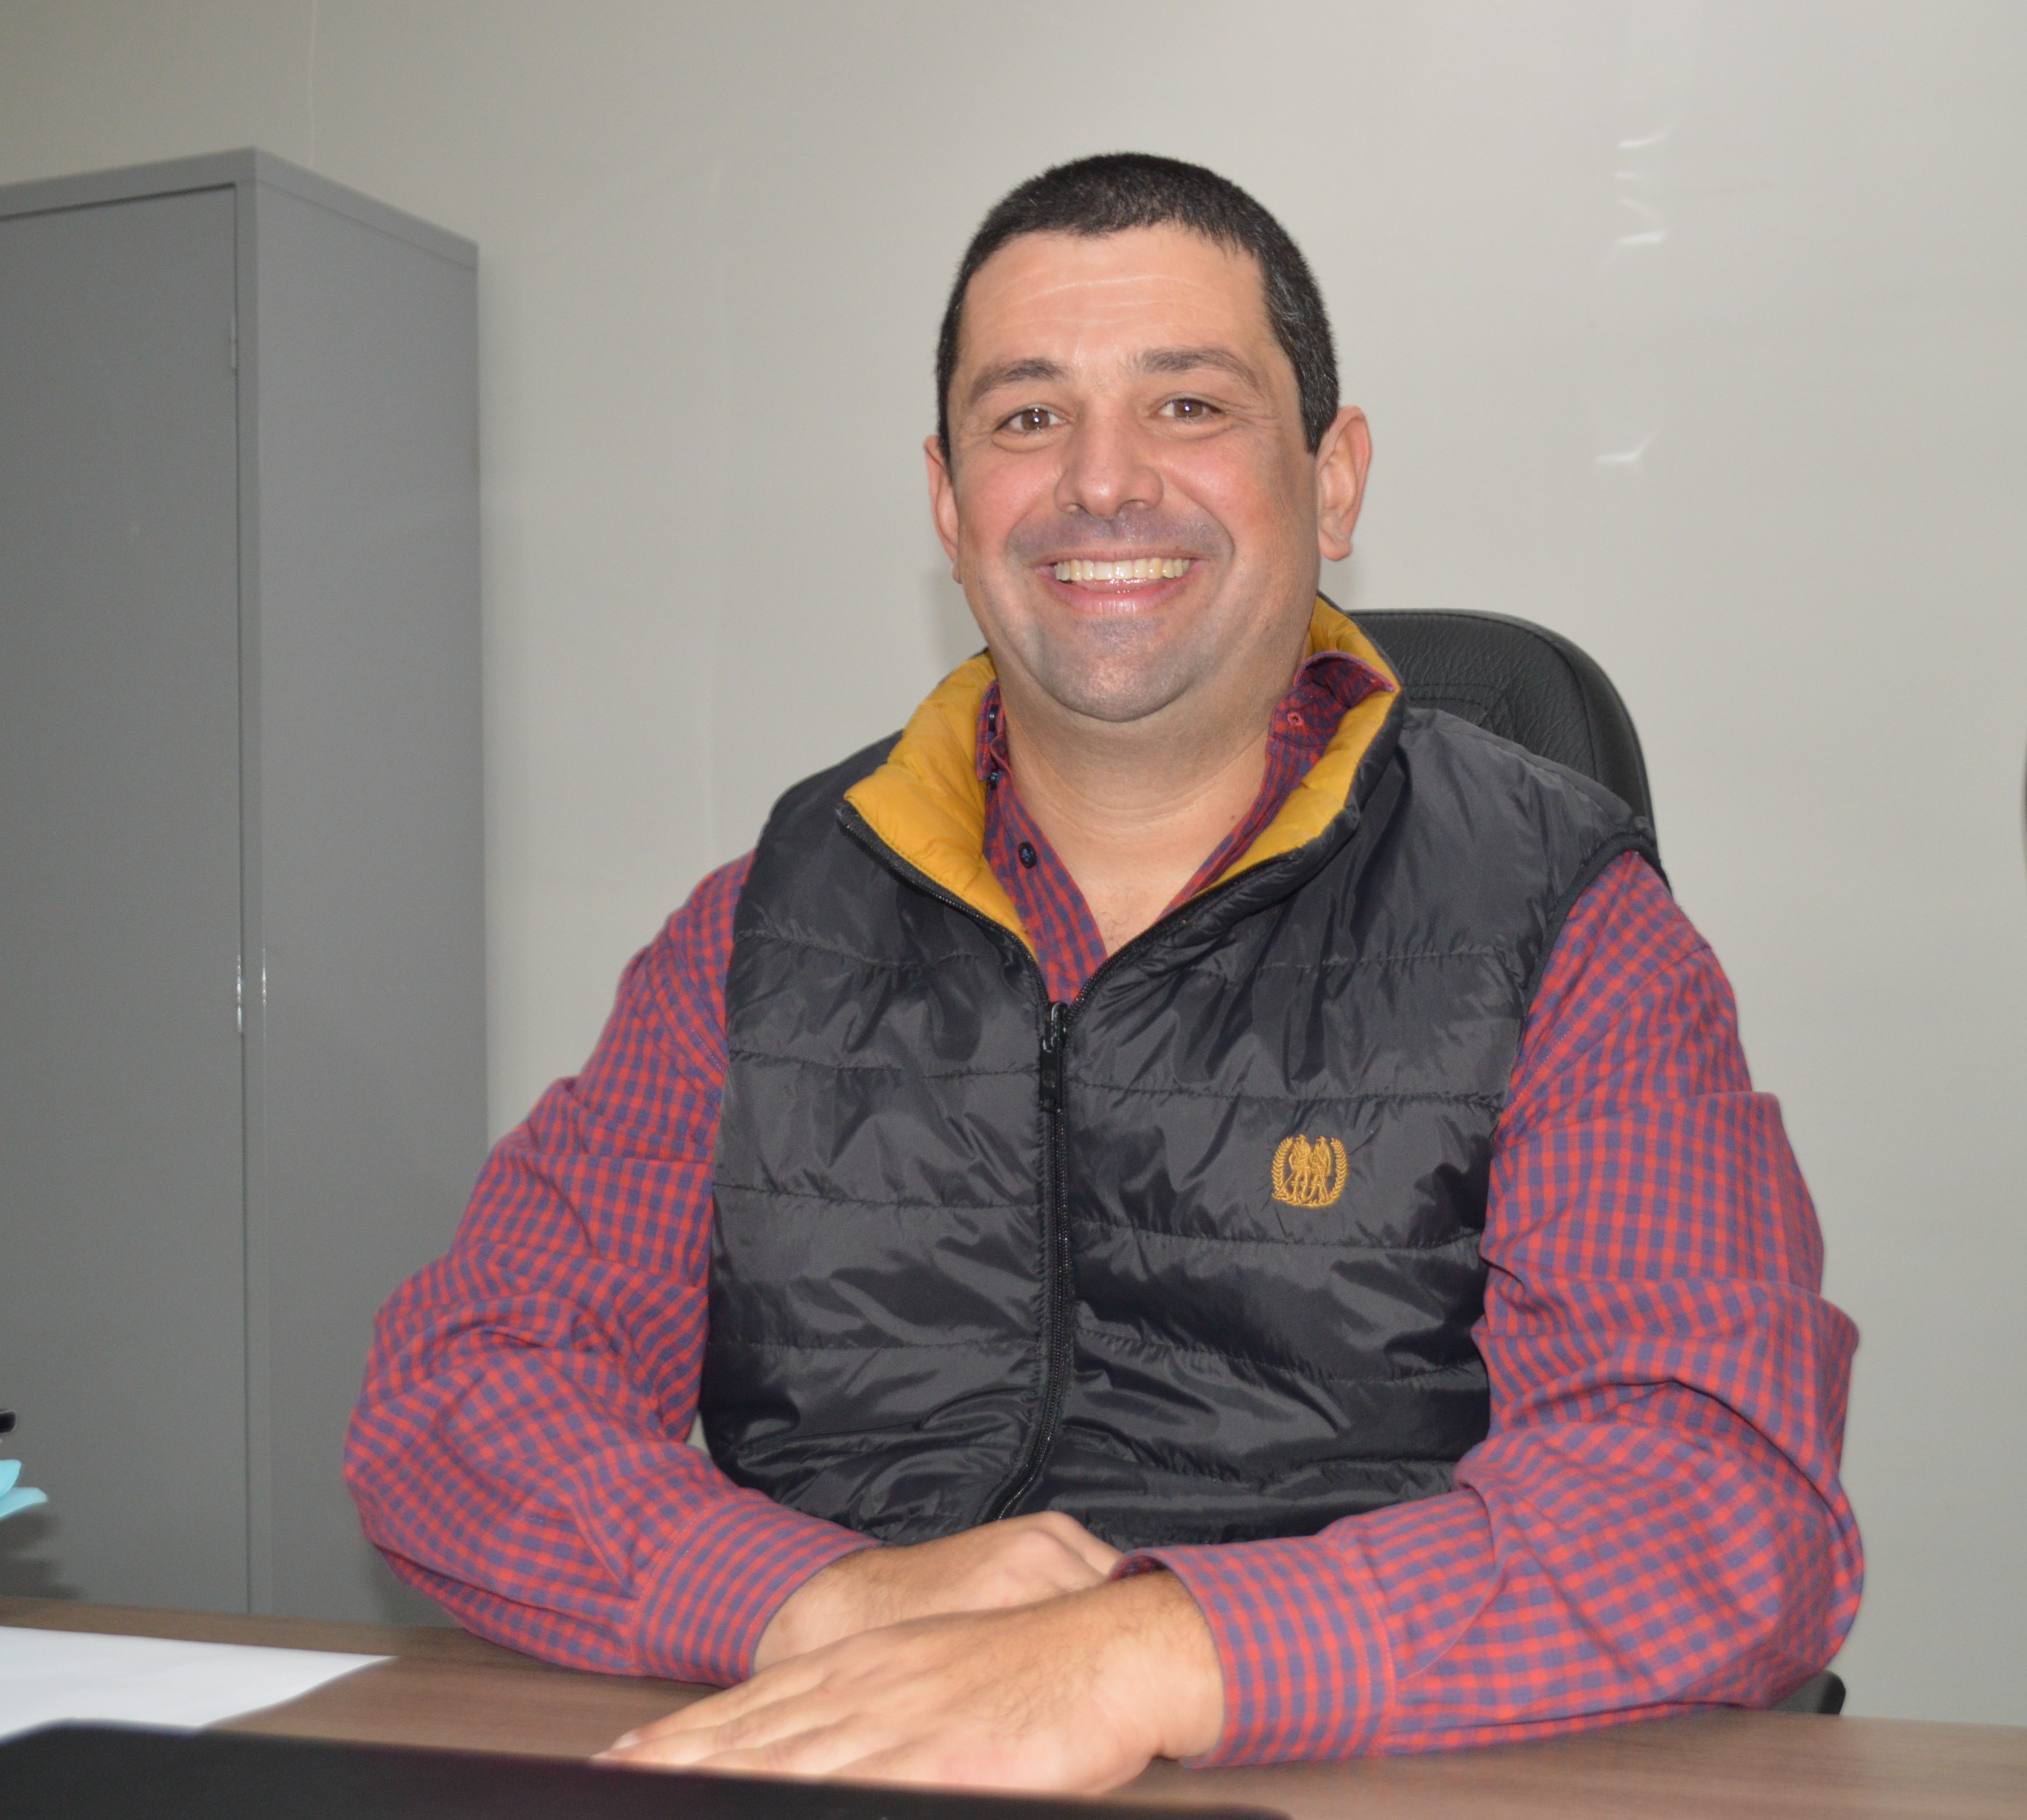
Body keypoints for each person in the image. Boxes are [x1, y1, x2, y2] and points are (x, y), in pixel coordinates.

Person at [345, 153, 1861, 1794]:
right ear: (949, 505)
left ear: (1333, 479)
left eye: (1188, 405)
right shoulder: (760, 931)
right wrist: (813, 1601)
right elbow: (463, 1391)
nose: (1100, 480)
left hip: (1351, 1773)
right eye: (1026, 417)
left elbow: (1713, 1485)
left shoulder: (1563, 920)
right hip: (848, 1757)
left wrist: (1146, 1656)